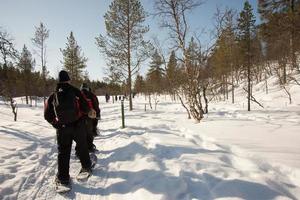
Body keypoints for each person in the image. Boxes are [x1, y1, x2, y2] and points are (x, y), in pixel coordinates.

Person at [44, 70, 96, 188]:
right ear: (68, 79)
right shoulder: (76, 91)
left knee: (63, 152)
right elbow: (85, 106)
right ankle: (86, 166)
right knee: (82, 146)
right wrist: (88, 113)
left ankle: (63, 178)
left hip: (62, 128)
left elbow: (47, 115)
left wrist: (57, 124)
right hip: (78, 125)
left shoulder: (53, 95)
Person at [75, 83, 100, 154]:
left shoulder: (77, 95)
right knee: (89, 133)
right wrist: (97, 116)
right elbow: (96, 106)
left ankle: (78, 151)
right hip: (89, 117)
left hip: (79, 117)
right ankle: (90, 148)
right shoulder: (91, 95)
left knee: (80, 135)